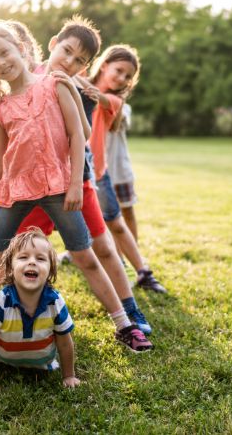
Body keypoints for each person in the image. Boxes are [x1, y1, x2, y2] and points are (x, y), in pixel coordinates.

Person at [0, 20, 152, 355]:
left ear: (21, 48)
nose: (1, 62)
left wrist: (76, 183)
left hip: (60, 189)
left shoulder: (56, 84)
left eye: (4, 53)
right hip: (14, 194)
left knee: (86, 257)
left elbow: (79, 135)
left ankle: (126, 325)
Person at [15, 18, 156, 333]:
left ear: (88, 66)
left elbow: (84, 134)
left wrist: (77, 88)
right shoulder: (27, 78)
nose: (69, 62)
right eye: (66, 51)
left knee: (100, 248)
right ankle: (1, 316)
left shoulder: (79, 89)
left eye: (80, 61)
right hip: (34, 183)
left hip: (76, 180)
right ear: (53, 44)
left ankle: (130, 314)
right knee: (21, 249)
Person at [85, 45, 167, 294]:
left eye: (127, 76)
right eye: (119, 70)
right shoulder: (78, 84)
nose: (121, 78)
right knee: (88, 228)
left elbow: (99, 98)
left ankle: (143, 272)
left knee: (116, 223)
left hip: (97, 171)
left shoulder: (115, 101)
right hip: (70, 172)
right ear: (105, 63)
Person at [0, 229, 79, 394]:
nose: (32, 262)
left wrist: (68, 376)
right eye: (23, 257)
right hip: (3, 360)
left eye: (41, 258)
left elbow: (65, 344)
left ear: (51, 270)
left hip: (44, 365)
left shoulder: (55, 302)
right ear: (10, 268)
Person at [106, 102, 138, 240]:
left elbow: (115, 123)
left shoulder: (124, 107)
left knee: (127, 211)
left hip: (120, 172)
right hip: (96, 172)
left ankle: (134, 249)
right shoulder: (89, 101)